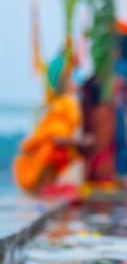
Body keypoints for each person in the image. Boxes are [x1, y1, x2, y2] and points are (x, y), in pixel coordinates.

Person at [13, 55, 90, 193]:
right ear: (65, 82)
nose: (77, 82)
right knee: (53, 151)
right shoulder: (63, 104)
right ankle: (46, 185)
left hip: (45, 162)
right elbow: (55, 138)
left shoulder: (64, 104)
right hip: (40, 163)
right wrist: (79, 141)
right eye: (73, 78)